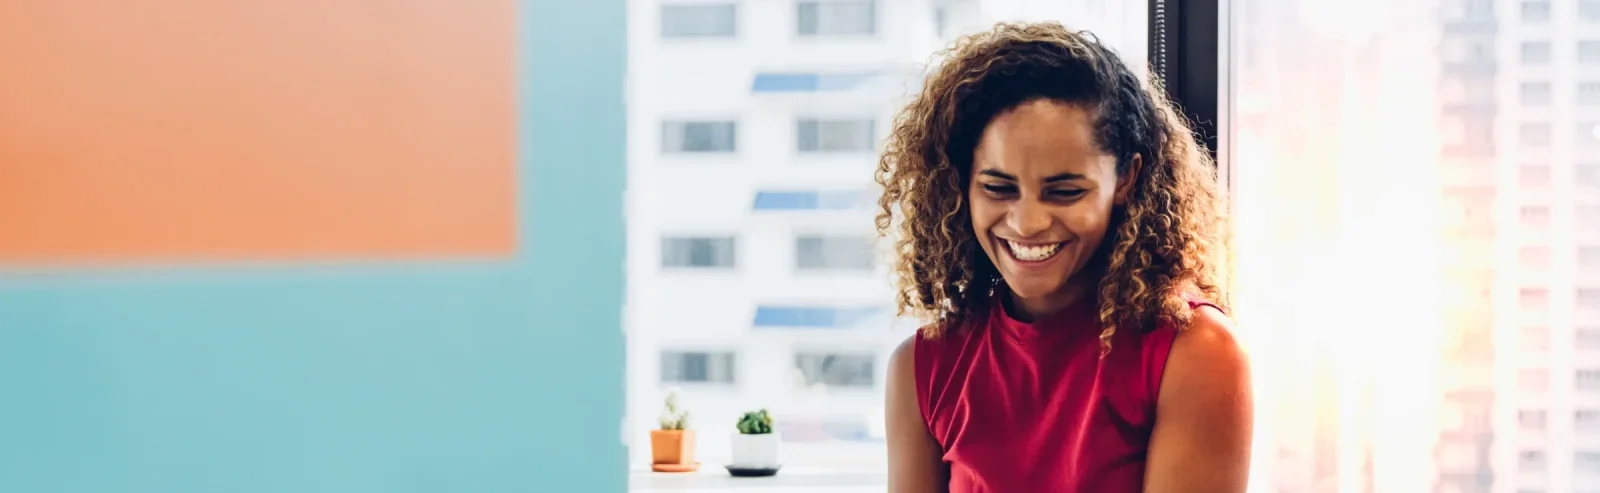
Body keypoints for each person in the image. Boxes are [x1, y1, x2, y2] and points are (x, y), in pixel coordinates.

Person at [876, 22, 1252, 492]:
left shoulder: (1192, 352)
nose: (1028, 222)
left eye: (1065, 191)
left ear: (1126, 180)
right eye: (997, 188)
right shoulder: (924, 368)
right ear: (960, 185)